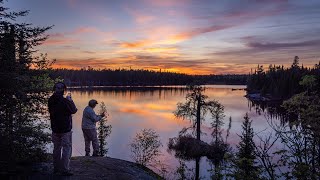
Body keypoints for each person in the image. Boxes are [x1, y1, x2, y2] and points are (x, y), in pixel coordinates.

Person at [48, 82, 77, 176]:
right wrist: (70, 100)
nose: (58, 89)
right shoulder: (65, 101)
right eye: (59, 88)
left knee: (56, 149)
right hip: (65, 129)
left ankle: (56, 169)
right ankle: (65, 169)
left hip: (55, 128)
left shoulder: (50, 100)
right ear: (63, 90)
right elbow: (74, 110)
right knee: (66, 149)